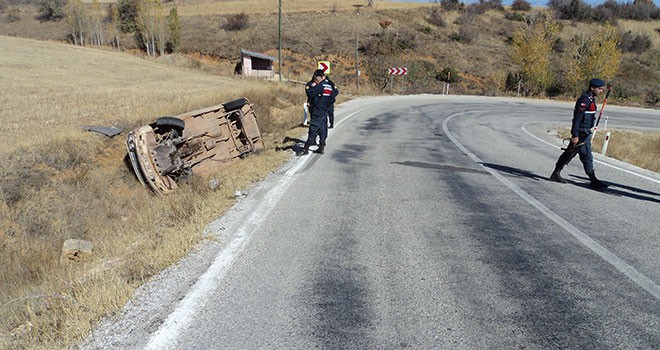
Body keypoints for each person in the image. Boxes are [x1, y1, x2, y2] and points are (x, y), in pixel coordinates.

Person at [549, 78, 609, 190]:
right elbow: (576, 119)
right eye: (599, 89)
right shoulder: (584, 100)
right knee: (579, 155)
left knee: (577, 155)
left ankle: (557, 174)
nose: (601, 91)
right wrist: (575, 135)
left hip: (585, 132)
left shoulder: (590, 99)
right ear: (592, 88)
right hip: (581, 133)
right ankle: (593, 180)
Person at [298, 69, 334, 156]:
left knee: (313, 129)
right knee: (322, 129)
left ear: (320, 77)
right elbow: (333, 99)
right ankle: (321, 147)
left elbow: (310, 94)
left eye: (316, 78)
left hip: (317, 110)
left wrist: (313, 87)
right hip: (324, 110)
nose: (315, 80)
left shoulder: (320, 86)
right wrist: (326, 105)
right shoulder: (329, 86)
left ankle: (305, 149)